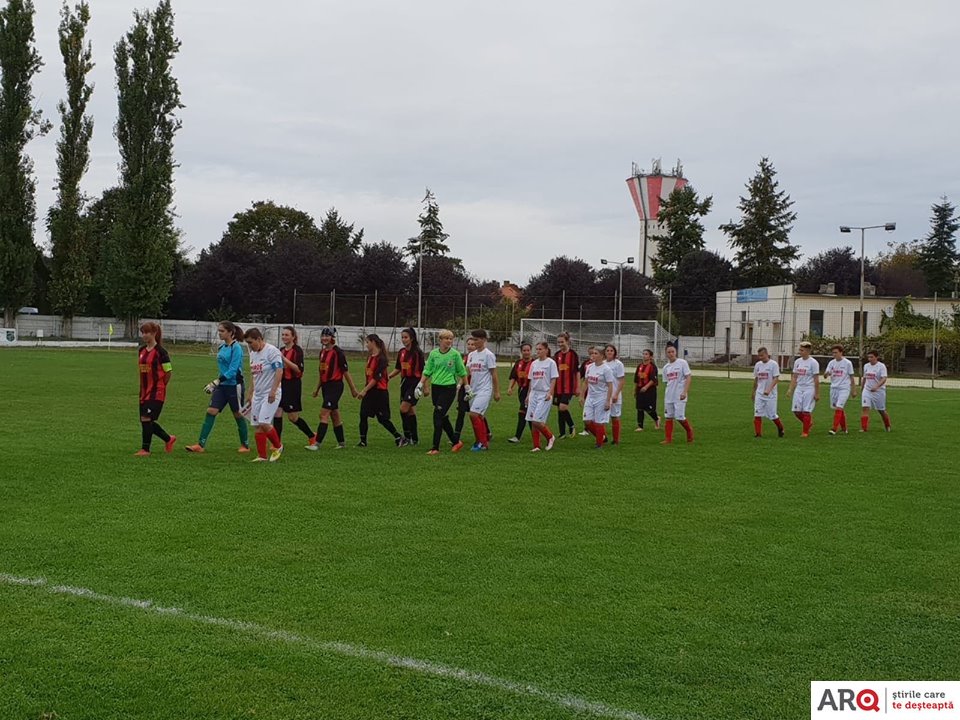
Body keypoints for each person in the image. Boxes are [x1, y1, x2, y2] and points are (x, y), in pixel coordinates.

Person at [186, 321, 250, 453]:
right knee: (211, 411)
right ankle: (200, 445)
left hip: (234, 386)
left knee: (238, 414)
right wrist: (217, 383)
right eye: (219, 331)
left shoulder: (236, 348)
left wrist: (215, 382)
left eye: (222, 331)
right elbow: (223, 369)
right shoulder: (222, 347)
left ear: (230, 332)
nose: (219, 333)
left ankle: (245, 445)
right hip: (222, 386)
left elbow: (233, 371)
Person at [420, 329, 468, 455]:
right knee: (442, 416)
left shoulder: (455, 354)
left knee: (437, 415)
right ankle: (455, 441)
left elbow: (462, 372)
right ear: (440, 340)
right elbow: (427, 370)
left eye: (451, 338)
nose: (449, 341)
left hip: (449, 388)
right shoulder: (434, 354)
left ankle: (435, 447)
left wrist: (467, 387)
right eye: (446, 338)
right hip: (436, 387)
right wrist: (420, 384)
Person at [310, 327, 358, 449]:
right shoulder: (322, 353)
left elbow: (346, 372)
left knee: (323, 414)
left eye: (327, 336)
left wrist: (353, 389)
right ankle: (341, 443)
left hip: (335, 386)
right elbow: (322, 374)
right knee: (334, 414)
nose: (324, 338)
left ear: (332, 338)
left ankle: (317, 443)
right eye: (323, 336)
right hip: (326, 387)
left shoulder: (338, 352)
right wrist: (317, 389)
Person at [243, 328, 285, 462]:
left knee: (264, 422)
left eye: (251, 342)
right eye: (247, 343)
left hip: (270, 393)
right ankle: (262, 456)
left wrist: (273, 391)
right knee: (257, 425)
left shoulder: (272, 351)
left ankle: (278, 446)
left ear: (259, 339)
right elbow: (254, 375)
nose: (249, 346)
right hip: (258, 394)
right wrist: (250, 393)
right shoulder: (253, 354)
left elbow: (279, 371)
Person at [356, 334, 405, 447]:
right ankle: (363, 441)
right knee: (363, 414)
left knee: (382, 419)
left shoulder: (381, 359)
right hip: (370, 391)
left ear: (373, 342)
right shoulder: (370, 357)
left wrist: (364, 390)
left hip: (379, 392)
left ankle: (398, 436)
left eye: (367, 342)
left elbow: (376, 378)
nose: (367, 345)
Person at [135, 322, 176, 456]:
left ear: (154, 334)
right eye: (143, 332)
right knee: (145, 420)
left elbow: (168, 371)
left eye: (147, 332)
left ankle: (145, 449)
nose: (144, 335)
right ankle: (168, 439)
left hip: (156, 391)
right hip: (144, 390)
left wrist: (161, 385)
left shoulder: (161, 352)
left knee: (146, 418)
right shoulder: (141, 350)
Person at [274, 326, 315, 445]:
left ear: (293, 337)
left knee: (292, 417)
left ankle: (311, 435)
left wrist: (284, 360)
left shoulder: (297, 350)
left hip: (293, 385)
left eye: (287, 335)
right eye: (283, 335)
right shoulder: (280, 350)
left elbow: (299, 370)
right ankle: (277, 443)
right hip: (281, 384)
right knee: (277, 412)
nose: (284, 337)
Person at [465, 328, 500, 451]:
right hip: (473, 390)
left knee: (474, 414)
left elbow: (494, 374)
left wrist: (496, 392)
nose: (474, 342)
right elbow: (467, 372)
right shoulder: (471, 355)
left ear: (484, 340)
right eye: (473, 339)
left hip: (485, 390)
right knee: (478, 416)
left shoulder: (488, 355)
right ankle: (482, 442)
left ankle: (481, 442)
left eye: (477, 339)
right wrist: (463, 385)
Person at [389, 327, 425, 445]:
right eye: (402, 337)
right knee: (410, 411)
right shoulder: (401, 352)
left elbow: (424, 370)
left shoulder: (417, 353)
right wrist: (388, 377)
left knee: (403, 409)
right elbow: (398, 368)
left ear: (412, 338)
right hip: (404, 383)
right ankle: (414, 439)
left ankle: (407, 436)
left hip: (415, 383)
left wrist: (425, 386)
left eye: (406, 337)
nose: (404, 340)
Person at [525, 341, 558, 452]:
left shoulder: (551, 363)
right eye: (537, 349)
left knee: (536, 420)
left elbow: (553, 379)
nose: (538, 351)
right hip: (534, 393)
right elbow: (531, 381)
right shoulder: (534, 363)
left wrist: (550, 392)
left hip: (544, 394)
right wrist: (528, 395)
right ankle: (536, 446)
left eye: (540, 349)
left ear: (546, 350)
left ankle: (550, 437)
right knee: (532, 419)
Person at [580, 346, 615, 448]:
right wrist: (582, 396)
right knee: (587, 420)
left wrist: (608, 401)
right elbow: (586, 382)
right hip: (590, 397)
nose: (593, 355)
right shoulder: (589, 367)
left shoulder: (606, 369)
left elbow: (610, 385)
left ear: (602, 356)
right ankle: (602, 437)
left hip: (601, 397)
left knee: (599, 422)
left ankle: (599, 443)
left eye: (596, 353)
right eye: (592, 353)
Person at [661, 343, 694, 445]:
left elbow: (688, 377)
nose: (671, 354)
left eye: (672, 352)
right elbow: (667, 382)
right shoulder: (666, 367)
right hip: (669, 396)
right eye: (669, 352)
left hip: (680, 395)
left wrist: (684, 391)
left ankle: (689, 432)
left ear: (676, 352)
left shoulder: (682, 363)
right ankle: (668, 439)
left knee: (679, 417)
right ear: (666, 354)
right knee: (668, 416)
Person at [787, 340, 820, 438]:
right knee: (796, 411)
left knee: (806, 411)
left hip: (809, 388)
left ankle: (805, 432)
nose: (800, 352)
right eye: (800, 350)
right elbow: (794, 377)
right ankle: (808, 423)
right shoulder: (797, 362)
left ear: (808, 351)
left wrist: (817, 393)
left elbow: (816, 379)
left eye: (802, 350)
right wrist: (790, 389)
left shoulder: (813, 363)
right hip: (799, 387)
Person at [752, 346, 785, 438]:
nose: (760, 357)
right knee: (757, 413)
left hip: (771, 395)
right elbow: (756, 379)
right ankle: (758, 434)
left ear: (767, 354)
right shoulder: (758, 365)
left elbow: (776, 379)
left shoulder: (773, 364)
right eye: (759, 356)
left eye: (762, 355)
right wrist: (753, 392)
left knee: (772, 415)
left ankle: (780, 428)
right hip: (759, 393)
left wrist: (768, 389)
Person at [824, 344, 856, 435]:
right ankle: (844, 428)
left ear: (841, 352)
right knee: (838, 408)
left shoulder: (847, 363)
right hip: (834, 388)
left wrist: (853, 390)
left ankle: (834, 429)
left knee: (839, 407)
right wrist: (826, 374)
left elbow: (852, 377)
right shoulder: (831, 363)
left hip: (844, 388)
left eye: (836, 352)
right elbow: (825, 375)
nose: (834, 354)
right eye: (833, 353)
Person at [553, 331, 579, 438]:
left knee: (563, 407)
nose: (560, 344)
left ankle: (572, 425)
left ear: (567, 341)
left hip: (569, 387)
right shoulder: (556, 355)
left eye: (562, 342)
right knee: (559, 409)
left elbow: (577, 372)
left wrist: (577, 387)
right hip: (557, 387)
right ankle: (562, 433)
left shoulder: (573, 355)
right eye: (558, 342)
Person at [507, 342, 533, 443]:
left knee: (522, 412)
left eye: (528, 350)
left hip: (531, 391)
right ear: (521, 352)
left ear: (531, 351)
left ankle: (517, 436)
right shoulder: (518, 363)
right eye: (524, 350)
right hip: (521, 391)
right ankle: (536, 435)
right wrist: (510, 388)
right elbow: (514, 376)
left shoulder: (534, 363)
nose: (526, 352)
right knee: (529, 413)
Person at [860, 350, 891, 432]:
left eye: (871, 357)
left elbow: (884, 378)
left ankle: (887, 425)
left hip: (879, 391)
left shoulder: (881, 366)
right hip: (867, 390)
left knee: (881, 410)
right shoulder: (866, 366)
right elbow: (865, 378)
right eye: (868, 357)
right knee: (865, 408)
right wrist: (862, 389)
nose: (869, 359)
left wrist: (876, 386)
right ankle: (864, 428)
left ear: (876, 357)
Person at [604, 344, 626, 444]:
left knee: (614, 416)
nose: (609, 352)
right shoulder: (602, 363)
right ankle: (603, 438)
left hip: (614, 394)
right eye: (607, 350)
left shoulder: (618, 364)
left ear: (614, 352)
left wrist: (616, 394)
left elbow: (621, 380)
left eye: (611, 351)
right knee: (602, 418)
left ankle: (616, 440)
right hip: (604, 395)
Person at [634, 349, 660, 432]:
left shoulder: (652, 367)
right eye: (643, 354)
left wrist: (646, 387)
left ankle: (656, 419)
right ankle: (640, 426)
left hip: (649, 391)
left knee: (649, 409)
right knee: (639, 408)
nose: (644, 355)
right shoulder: (639, 366)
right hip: (640, 390)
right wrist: (635, 390)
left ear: (650, 356)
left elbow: (653, 379)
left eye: (646, 354)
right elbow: (637, 380)